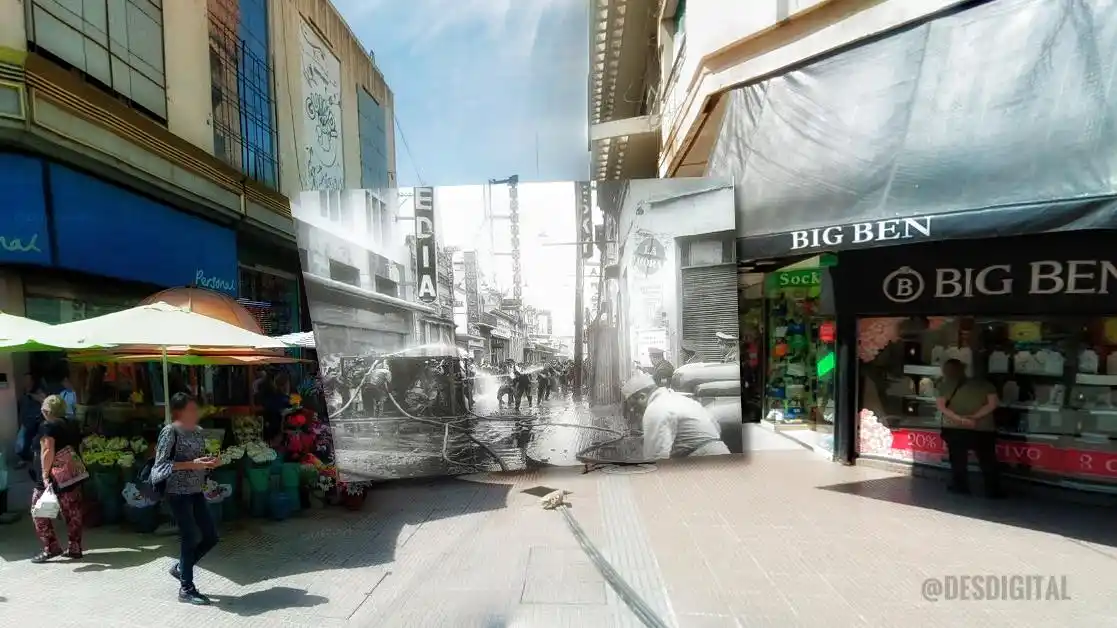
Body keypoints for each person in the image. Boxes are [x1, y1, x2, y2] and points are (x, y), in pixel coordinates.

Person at [153, 393, 222, 605]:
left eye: (196, 409)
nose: (195, 413)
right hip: (177, 492)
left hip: (195, 490)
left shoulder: (199, 432)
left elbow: (199, 460)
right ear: (179, 412)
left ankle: (182, 568)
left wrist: (211, 462)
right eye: (191, 410)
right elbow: (160, 465)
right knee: (189, 536)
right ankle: (186, 588)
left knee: (210, 536)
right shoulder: (170, 431)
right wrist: (194, 464)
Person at [621, 372, 731, 461]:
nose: (632, 410)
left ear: (642, 397)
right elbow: (716, 427)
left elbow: (657, 458)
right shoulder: (681, 400)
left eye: (633, 405)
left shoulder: (655, 408)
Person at [29, 394, 86, 563]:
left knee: (38, 512)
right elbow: (80, 446)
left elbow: (47, 450)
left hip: (52, 478)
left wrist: (45, 475)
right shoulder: (73, 423)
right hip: (72, 474)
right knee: (73, 511)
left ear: (46, 411)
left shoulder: (48, 426)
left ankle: (51, 547)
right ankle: (75, 547)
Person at [935, 359, 1003, 497]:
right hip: (984, 428)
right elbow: (993, 404)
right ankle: (993, 491)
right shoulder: (985, 384)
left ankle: (960, 487)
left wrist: (961, 420)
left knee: (958, 460)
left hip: (955, 428)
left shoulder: (945, 385)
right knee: (987, 460)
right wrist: (975, 417)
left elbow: (942, 407)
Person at [15, 373, 46, 469]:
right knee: (21, 444)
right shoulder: (23, 392)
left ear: (32, 381)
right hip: (26, 421)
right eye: (24, 379)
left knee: (34, 444)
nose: (25, 381)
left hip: (36, 421)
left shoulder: (37, 391)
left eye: (27, 379)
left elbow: (44, 399)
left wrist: (32, 395)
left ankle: (35, 462)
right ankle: (24, 460)